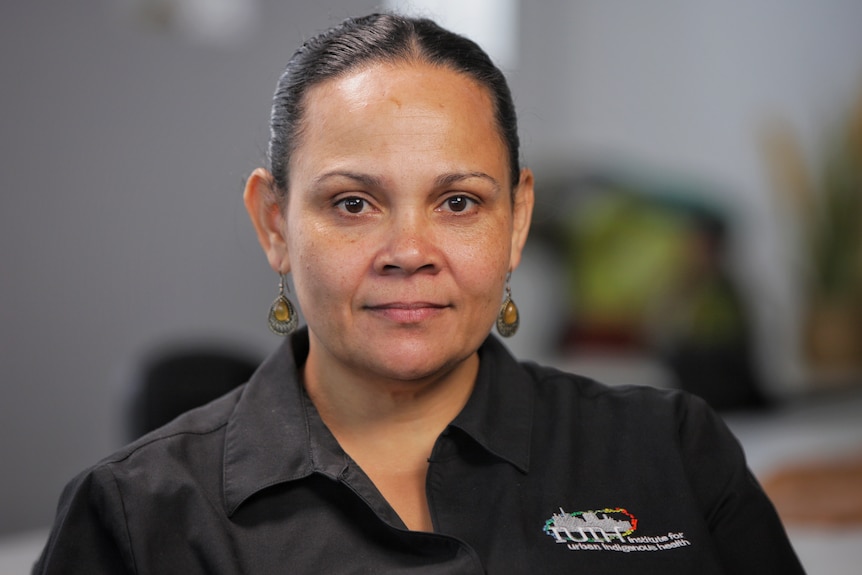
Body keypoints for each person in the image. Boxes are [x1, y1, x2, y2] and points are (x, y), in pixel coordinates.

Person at [33, 13, 805, 574]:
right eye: (353, 203)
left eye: (460, 202)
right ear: (274, 222)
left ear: (516, 220)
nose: (409, 252)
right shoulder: (136, 517)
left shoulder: (670, 450)